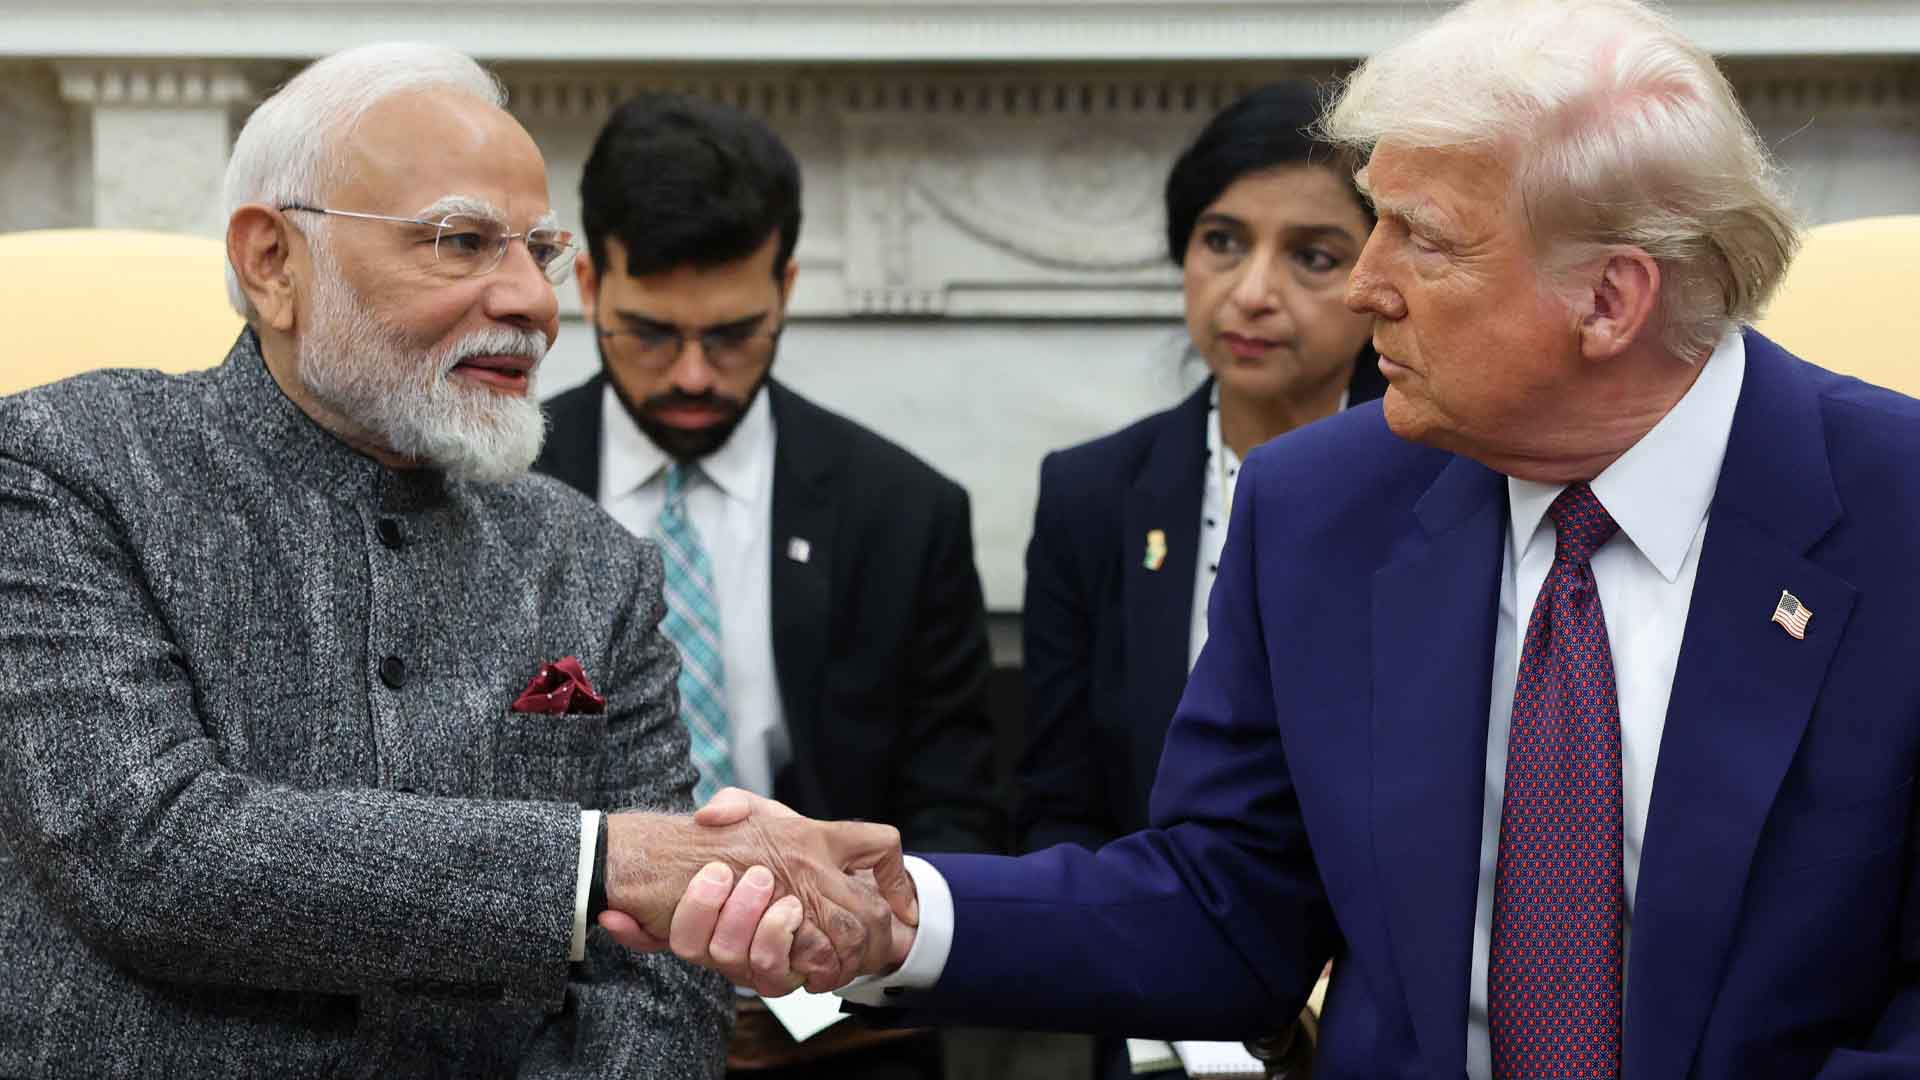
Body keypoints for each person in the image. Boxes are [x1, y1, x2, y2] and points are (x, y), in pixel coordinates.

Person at [645, 1, 1920, 1076]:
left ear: (1610, 298)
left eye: (1420, 236)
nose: (1362, 282)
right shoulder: (1323, 507)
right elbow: (1224, 908)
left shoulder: (1897, 511)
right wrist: (899, 915)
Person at [0, 44, 910, 1079]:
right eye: (463, 242)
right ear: (272, 262)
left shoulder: (593, 565)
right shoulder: (66, 467)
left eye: (541, 252)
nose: (532, 302)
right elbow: (150, 852)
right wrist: (599, 864)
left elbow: (663, 974)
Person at [533, 92, 1003, 1078]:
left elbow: (960, 809)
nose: (695, 375)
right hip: (549, 1026)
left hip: (839, 1032)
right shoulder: (502, 497)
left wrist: (872, 938)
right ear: (587, 287)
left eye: (736, 334)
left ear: (786, 287)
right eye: (650, 335)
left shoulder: (902, 513)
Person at [1017, 82, 1378, 1079]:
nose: (1253, 291)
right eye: (1223, 240)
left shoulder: (1442, 480)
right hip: (1153, 1005)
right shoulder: (1094, 495)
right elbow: (1060, 801)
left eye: (1313, 256)